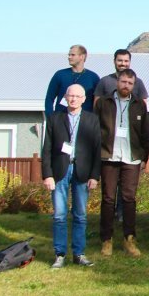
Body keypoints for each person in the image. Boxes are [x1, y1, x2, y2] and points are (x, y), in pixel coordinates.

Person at [42, 84, 101, 268]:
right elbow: (47, 149)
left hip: (82, 171)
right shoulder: (55, 118)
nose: (74, 99)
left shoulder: (92, 119)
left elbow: (97, 150)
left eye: (77, 96)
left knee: (80, 215)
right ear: (65, 98)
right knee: (59, 215)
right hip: (60, 171)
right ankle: (60, 254)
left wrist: (94, 176)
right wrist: (47, 175)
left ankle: (79, 253)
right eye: (71, 96)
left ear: (84, 99)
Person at [96, 69, 149, 258]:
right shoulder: (103, 103)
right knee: (108, 199)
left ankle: (129, 239)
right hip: (108, 157)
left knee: (129, 199)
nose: (126, 85)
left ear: (134, 85)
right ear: (117, 82)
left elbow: (145, 133)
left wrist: (144, 158)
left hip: (131, 158)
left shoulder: (139, 105)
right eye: (123, 82)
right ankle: (106, 239)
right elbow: (95, 130)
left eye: (130, 83)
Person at [45, 45, 101, 114]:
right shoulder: (60, 75)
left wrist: (94, 119)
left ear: (82, 56)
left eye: (73, 55)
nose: (69, 57)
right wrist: (50, 117)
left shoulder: (93, 77)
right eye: (69, 55)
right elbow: (49, 98)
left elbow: (97, 103)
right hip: (61, 118)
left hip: (85, 119)